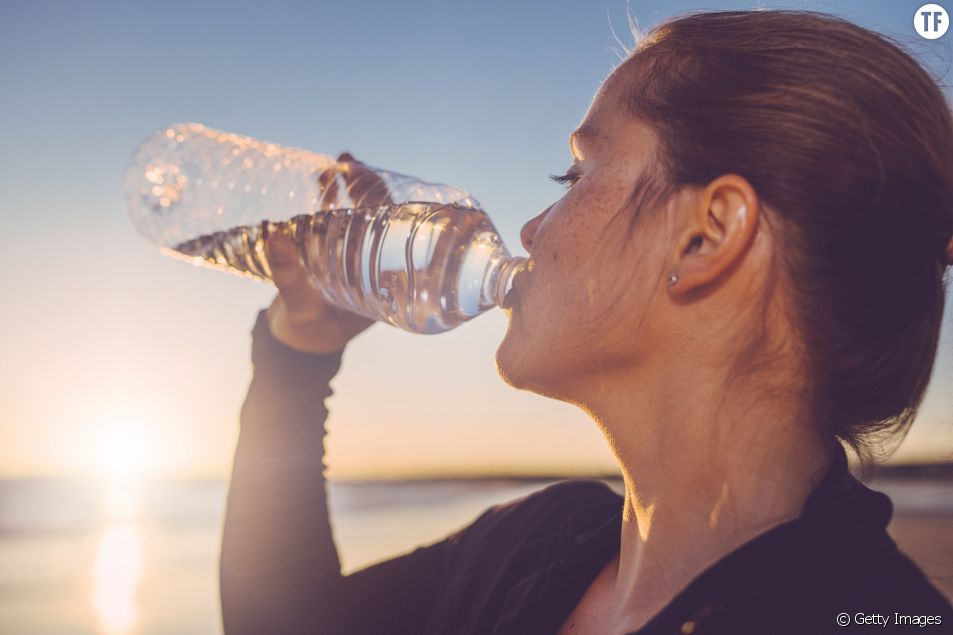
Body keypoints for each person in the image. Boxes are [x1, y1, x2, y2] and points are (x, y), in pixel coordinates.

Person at [219, 9, 953, 635]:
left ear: (705, 236)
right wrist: (296, 355)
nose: (532, 228)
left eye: (573, 175)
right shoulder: (539, 542)